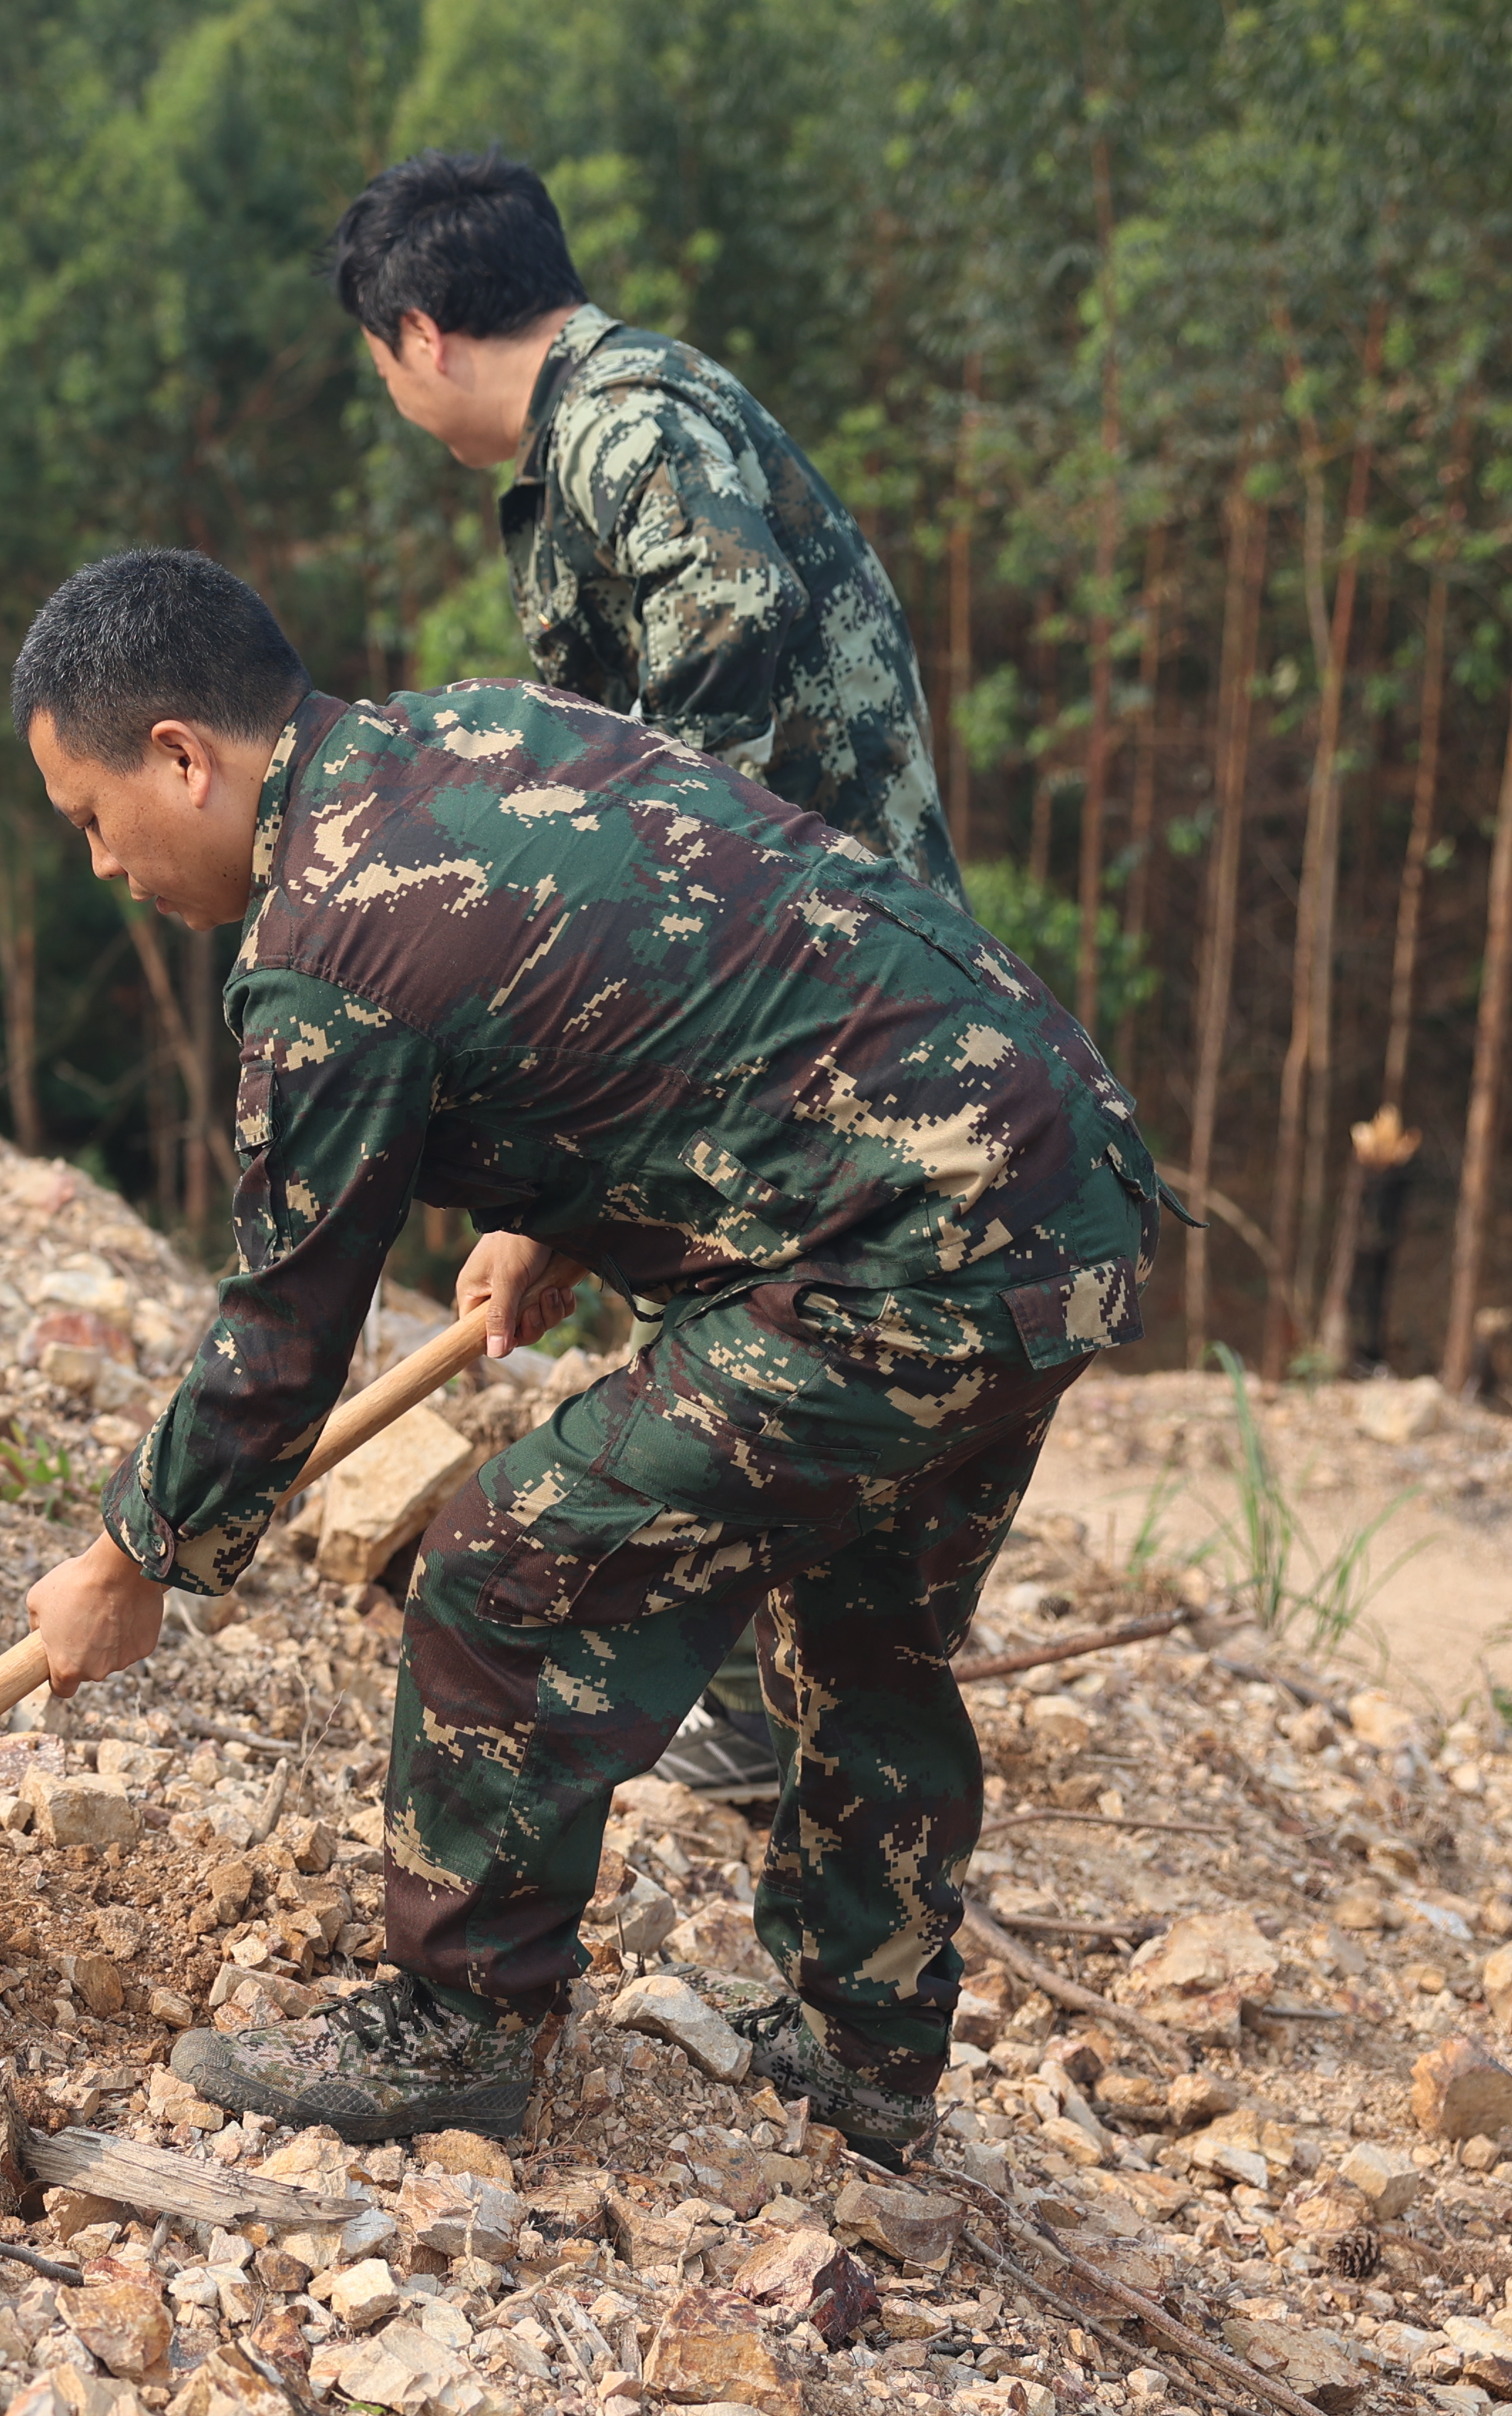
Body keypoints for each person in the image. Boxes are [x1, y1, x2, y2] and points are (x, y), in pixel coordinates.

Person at [11, 549, 1159, 2157]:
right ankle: (863, 2052)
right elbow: (673, 952)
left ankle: (457, 2024)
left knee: (503, 1560)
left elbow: (284, 1327)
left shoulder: (326, 947)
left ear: (180, 758)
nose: (101, 867)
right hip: (1061, 1177)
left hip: (898, 1248)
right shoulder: (474, 736)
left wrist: (132, 1554)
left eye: (87, 817)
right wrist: (556, 1211)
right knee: (861, 1612)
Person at [336, 148, 968, 1791]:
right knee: (773, 1306)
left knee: (799, 1321)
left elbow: (726, 657)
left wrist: (584, 1084)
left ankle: (768, 1722)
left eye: (376, 368)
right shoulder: (601, 434)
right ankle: (770, 1717)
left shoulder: (629, 424)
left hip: (818, 975)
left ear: (417, 335)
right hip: (778, 967)